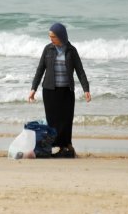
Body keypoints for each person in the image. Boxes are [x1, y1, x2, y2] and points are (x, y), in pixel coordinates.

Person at [28, 23, 91, 158]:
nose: (51, 39)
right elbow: (40, 70)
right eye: (50, 37)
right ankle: (54, 146)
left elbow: (80, 70)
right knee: (53, 120)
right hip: (49, 90)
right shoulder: (48, 49)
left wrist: (86, 89)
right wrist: (33, 88)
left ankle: (66, 145)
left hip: (67, 91)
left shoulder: (71, 51)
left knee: (66, 120)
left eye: (53, 37)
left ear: (61, 36)